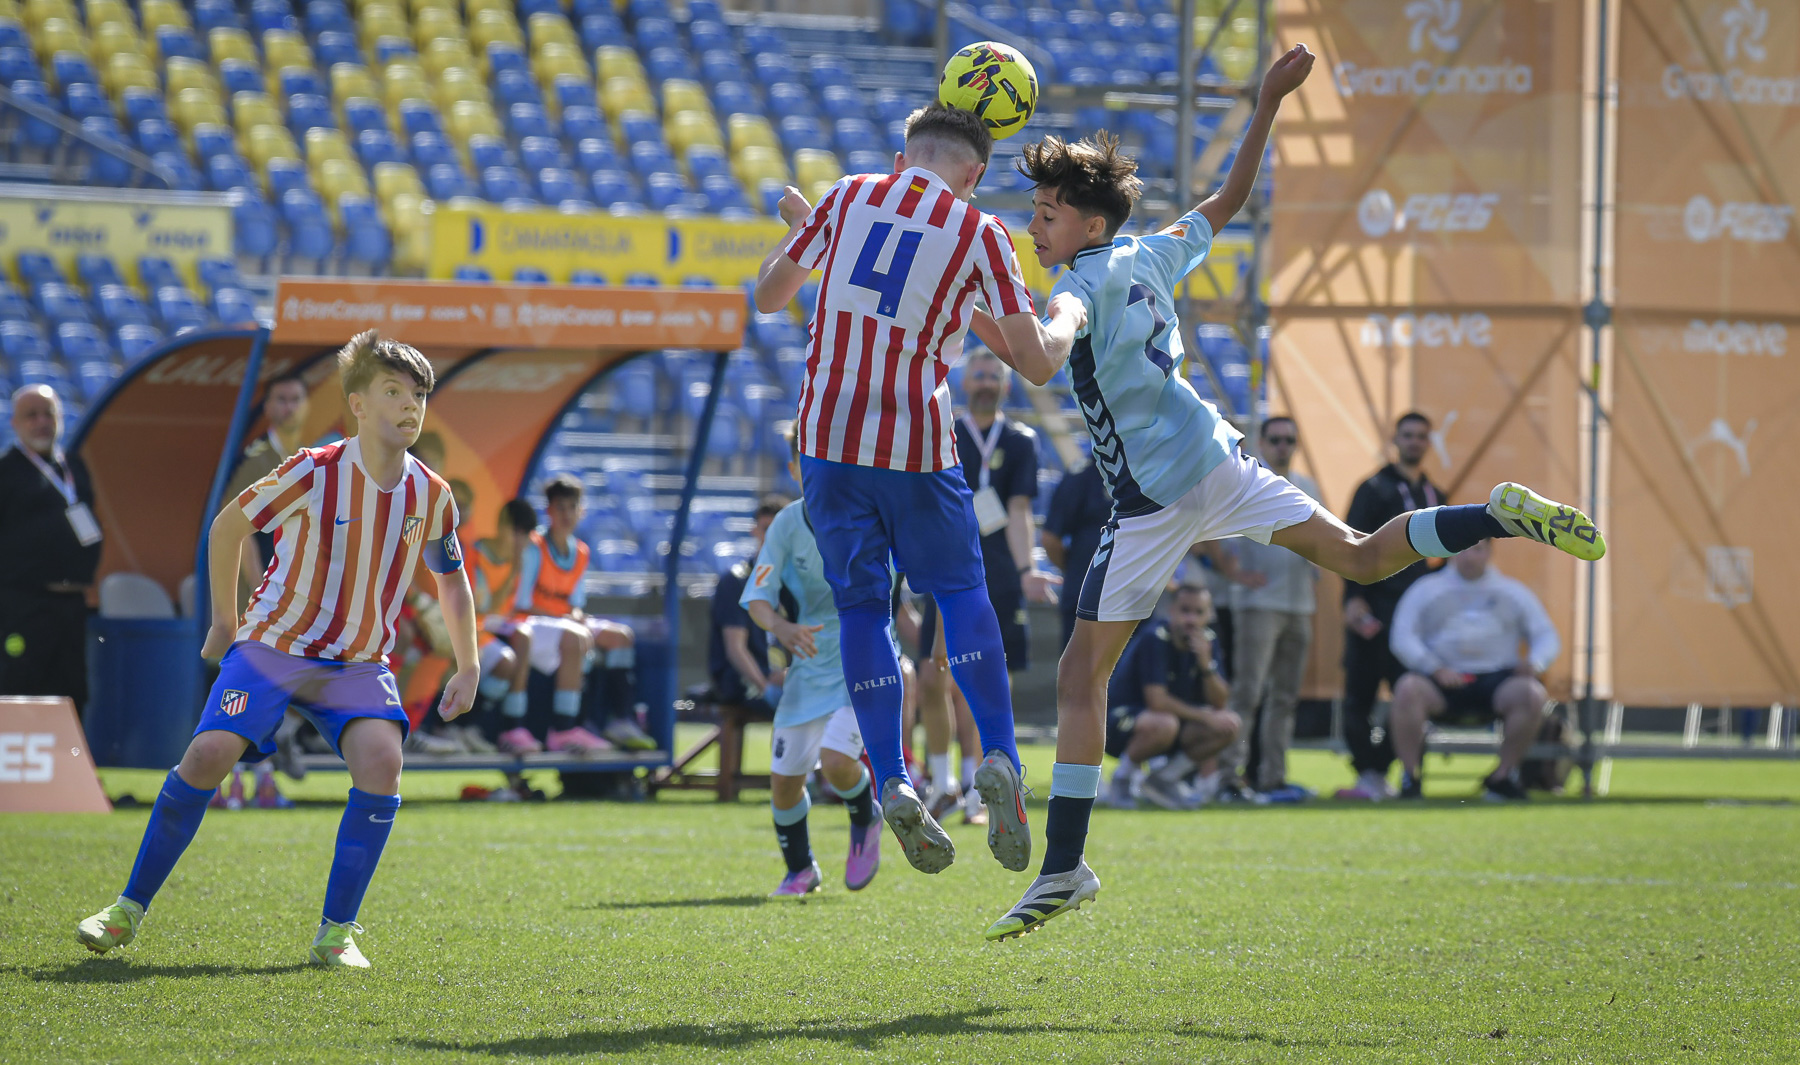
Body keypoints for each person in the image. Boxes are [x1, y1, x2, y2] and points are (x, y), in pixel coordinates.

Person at [984, 43, 1604, 941]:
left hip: (1153, 502)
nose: (1034, 228)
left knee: (1080, 677)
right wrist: (1269, 99)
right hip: (1218, 462)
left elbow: (1042, 358)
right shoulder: (1150, 255)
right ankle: (1494, 513)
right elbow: (1227, 200)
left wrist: (976, 312)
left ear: (1087, 223)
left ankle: (1064, 866)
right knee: (1361, 557)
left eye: (1045, 214)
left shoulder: (1080, 284)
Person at [752, 102, 1088, 876]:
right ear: (974, 175)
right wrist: (1068, 312)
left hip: (827, 441)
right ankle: (999, 754)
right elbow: (1036, 362)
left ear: (903, 158)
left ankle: (894, 777)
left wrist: (805, 233)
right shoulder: (980, 233)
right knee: (962, 592)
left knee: (864, 609)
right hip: (914, 443)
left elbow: (770, 295)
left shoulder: (846, 195)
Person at [76, 330, 479, 968]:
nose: (410, 405)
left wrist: (469, 663)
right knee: (208, 755)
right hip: (274, 644)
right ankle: (126, 909)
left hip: (358, 662)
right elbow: (227, 527)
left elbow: (451, 582)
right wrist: (224, 620)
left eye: (419, 395)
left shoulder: (432, 494)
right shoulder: (314, 470)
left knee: (383, 762)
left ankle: (336, 934)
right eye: (393, 391)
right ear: (357, 404)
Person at [916, 348, 1056, 824]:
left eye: (993, 375)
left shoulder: (1020, 441)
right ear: (963, 381)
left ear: (1006, 385)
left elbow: (1019, 510)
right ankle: (941, 784)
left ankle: (979, 790)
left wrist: (1026, 569)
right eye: (977, 374)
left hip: (997, 572)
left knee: (988, 683)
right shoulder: (944, 431)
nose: (984, 382)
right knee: (933, 674)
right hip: (946, 568)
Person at [741, 430, 881, 897]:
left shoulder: (867, 511)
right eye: (807, 463)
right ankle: (801, 870)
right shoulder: (785, 523)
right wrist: (781, 628)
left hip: (864, 657)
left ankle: (865, 814)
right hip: (809, 663)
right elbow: (758, 599)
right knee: (783, 783)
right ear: (794, 470)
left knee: (837, 762)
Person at [1386, 539, 1560, 802]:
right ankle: (1410, 777)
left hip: (1497, 682)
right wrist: (1434, 667)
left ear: (1489, 552)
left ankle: (1503, 776)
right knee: (1407, 689)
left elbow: (1546, 635)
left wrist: (1535, 663)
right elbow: (1402, 637)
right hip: (1440, 682)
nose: (1469, 557)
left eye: (1477, 549)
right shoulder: (1425, 589)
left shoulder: (1513, 591)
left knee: (1531, 694)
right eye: (1462, 549)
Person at [1334, 411, 1443, 802]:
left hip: (1413, 622)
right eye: (1407, 435)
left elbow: (1445, 561)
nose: (1414, 442)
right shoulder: (1373, 488)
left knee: (1409, 699)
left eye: (1421, 436)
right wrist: (1353, 599)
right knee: (1358, 699)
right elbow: (1348, 545)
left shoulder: (1435, 496)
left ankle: (1387, 772)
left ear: (1428, 442)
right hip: (1374, 612)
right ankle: (1369, 773)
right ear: (1395, 440)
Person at [1218, 416, 1319, 803]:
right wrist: (1233, 572)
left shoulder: (1308, 486)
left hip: (1299, 603)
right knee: (1248, 693)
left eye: (1289, 440)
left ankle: (1273, 777)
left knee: (1285, 697)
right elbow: (1208, 530)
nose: (1282, 446)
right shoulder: (1247, 481)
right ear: (1261, 442)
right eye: (1275, 439)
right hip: (1258, 604)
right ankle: (1229, 778)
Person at [0, 385, 101, 714]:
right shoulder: (6, 471)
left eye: (49, 414)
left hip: (71, 604)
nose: (42, 422)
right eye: (32, 415)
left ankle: (69, 751)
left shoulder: (73, 466)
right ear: (15, 423)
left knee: (71, 691)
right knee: (21, 687)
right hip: (22, 605)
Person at [1099, 585, 1236, 810]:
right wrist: (1204, 716)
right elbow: (1157, 701)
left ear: (1209, 615)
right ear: (1172, 610)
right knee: (1165, 724)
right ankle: (1122, 778)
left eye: (1199, 612)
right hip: (1118, 724)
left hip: (1169, 724)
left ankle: (1164, 779)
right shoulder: (1155, 637)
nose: (1191, 619)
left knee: (1228, 724)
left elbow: (1220, 702)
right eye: (1185, 610)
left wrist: (1206, 666)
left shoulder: (1208, 641)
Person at [709, 498, 788, 715]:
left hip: (778, 677)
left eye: (779, 530)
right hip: (741, 680)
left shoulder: (791, 580)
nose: (772, 537)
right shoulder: (736, 581)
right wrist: (766, 687)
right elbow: (735, 648)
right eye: (767, 529)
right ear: (755, 531)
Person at [1041, 454, 1111, 649]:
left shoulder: (1145, 470)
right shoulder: (1083, 474)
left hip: (1132, 595)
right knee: (1081, 664)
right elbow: (1050, 538)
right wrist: (1076, 570)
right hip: (1087, 596)